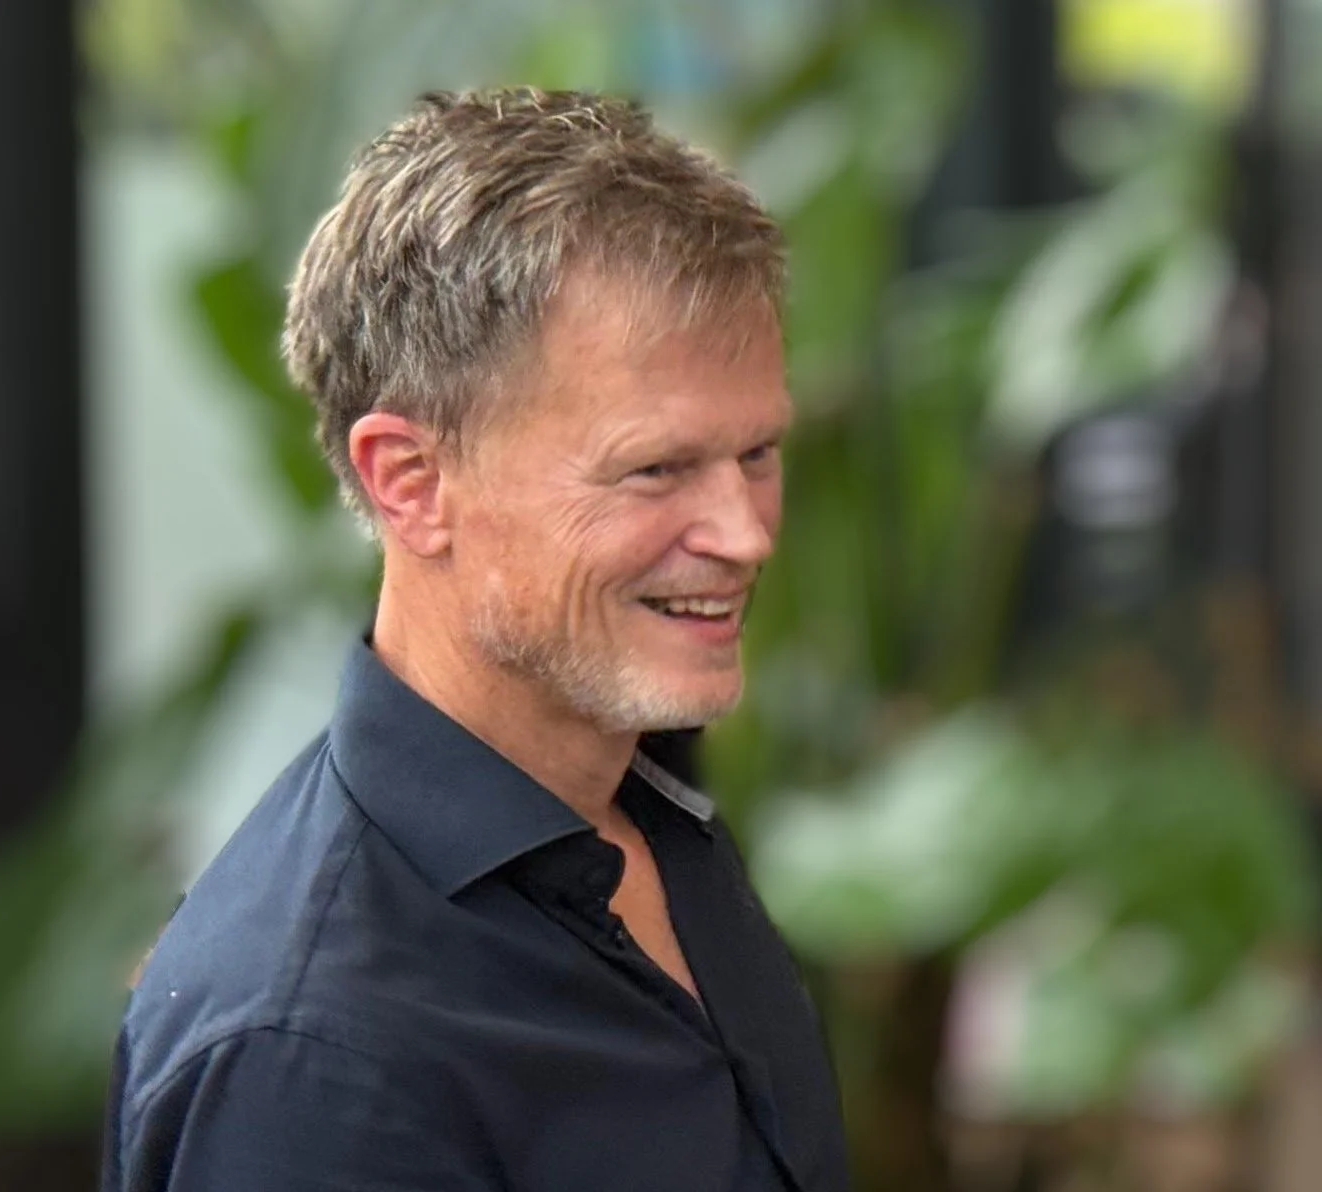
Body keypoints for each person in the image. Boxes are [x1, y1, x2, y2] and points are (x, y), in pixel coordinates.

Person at [100, 87, 850, 1192]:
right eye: (655, 468)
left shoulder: (644, 806)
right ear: (412, 483)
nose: (743, 533)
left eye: (756, 454)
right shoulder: (310, 1056)